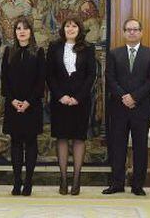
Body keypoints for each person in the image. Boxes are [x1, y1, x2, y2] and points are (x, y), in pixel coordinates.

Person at [103, 18, 150, 196]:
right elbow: (110, 78)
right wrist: (123, 96)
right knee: (117, 146)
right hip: (119, 108)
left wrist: (134, 97)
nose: (132, 32)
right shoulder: (114, 54)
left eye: (135, 29)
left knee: (140, 147)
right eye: (128, 29)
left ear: (141, 32)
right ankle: (117, 183)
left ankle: (137, 185)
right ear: (124, 33)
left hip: (141, 108)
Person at [46, 16, 96, 195]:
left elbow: (91, 75)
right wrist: (60, 96)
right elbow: (49, 75)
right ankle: (63, 179)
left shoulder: (89, 48)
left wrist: (78, 97)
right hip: (60, 102)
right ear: (63, 29)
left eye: (74, 26)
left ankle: (76, 179)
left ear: (79, 29)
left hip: (80, 102)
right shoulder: (54, 47)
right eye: (68, 26)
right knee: (61, 138)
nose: (71, 29)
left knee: (78, 138)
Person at [1, 17, 45, 196]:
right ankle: (17, 181)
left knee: (31, 143)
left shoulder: (38, 52)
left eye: (25, 28)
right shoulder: (8, 51)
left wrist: (28, 102)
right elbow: (4, 79)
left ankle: (28, 182)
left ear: (30, 32)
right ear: (15, 32)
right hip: (13, 105)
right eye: (18, 28)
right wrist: (12, 100)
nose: (22, 31)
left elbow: (41, 81)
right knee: (16, 143)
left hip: (32, 106)